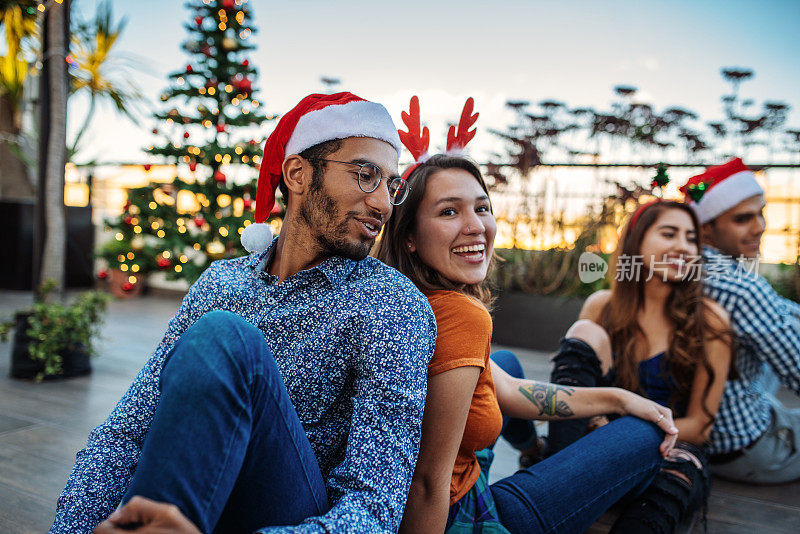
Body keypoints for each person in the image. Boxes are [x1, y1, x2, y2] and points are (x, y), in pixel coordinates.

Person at [50, 92, 437, 533]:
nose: (384, 204)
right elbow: (128, 432)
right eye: (366, 175)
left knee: (226, 337)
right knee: (218, 335)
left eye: (391, 184)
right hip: (186, 499)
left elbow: (374, 505)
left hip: (291, 514)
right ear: (297, 174)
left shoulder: (392, 304)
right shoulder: (220, 282)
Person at [374, 96, 679, 534]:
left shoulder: (405, 297)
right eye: (448, 211)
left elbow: (512, 390)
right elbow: (426, 483)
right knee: (644, 435)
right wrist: (628, 408)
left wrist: (618, 396)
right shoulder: (460, 314)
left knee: (507, 367)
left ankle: (539, 452)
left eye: (481, 207)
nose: (476, 225)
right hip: (469, 514)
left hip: (455, 480)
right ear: (410, 238)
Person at [547, 199, 733, 532]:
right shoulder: (602, 307)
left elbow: (701, 425)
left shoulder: (710, 321)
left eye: (691, 238)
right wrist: (603, 431)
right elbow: (576, 389)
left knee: (663, 497)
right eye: (669, 233)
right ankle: (554, 487)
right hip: (594, 441)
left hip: (669, 451)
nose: (683, 246)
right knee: (583, 332)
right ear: (637, 242)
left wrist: (633, 437)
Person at [679, 158, 800, 484]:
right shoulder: (744, 288)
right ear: (705, 227)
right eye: (743, 218)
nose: (760, 226)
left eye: (761, 212)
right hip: (746, 447)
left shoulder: (683, 266)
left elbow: (775, 308)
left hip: (699, 427)